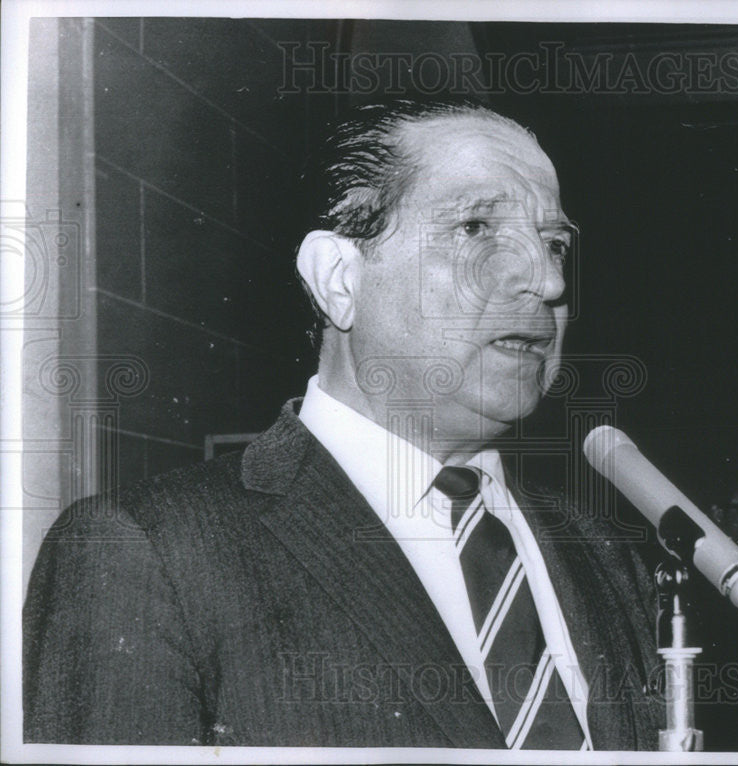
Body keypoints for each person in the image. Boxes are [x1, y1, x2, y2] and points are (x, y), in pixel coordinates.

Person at [23, 99, 663, 749]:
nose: (548, 279)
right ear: (338, 280)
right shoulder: (150, 551)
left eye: (554, 243)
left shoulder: (608, 558)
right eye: (476, 228)